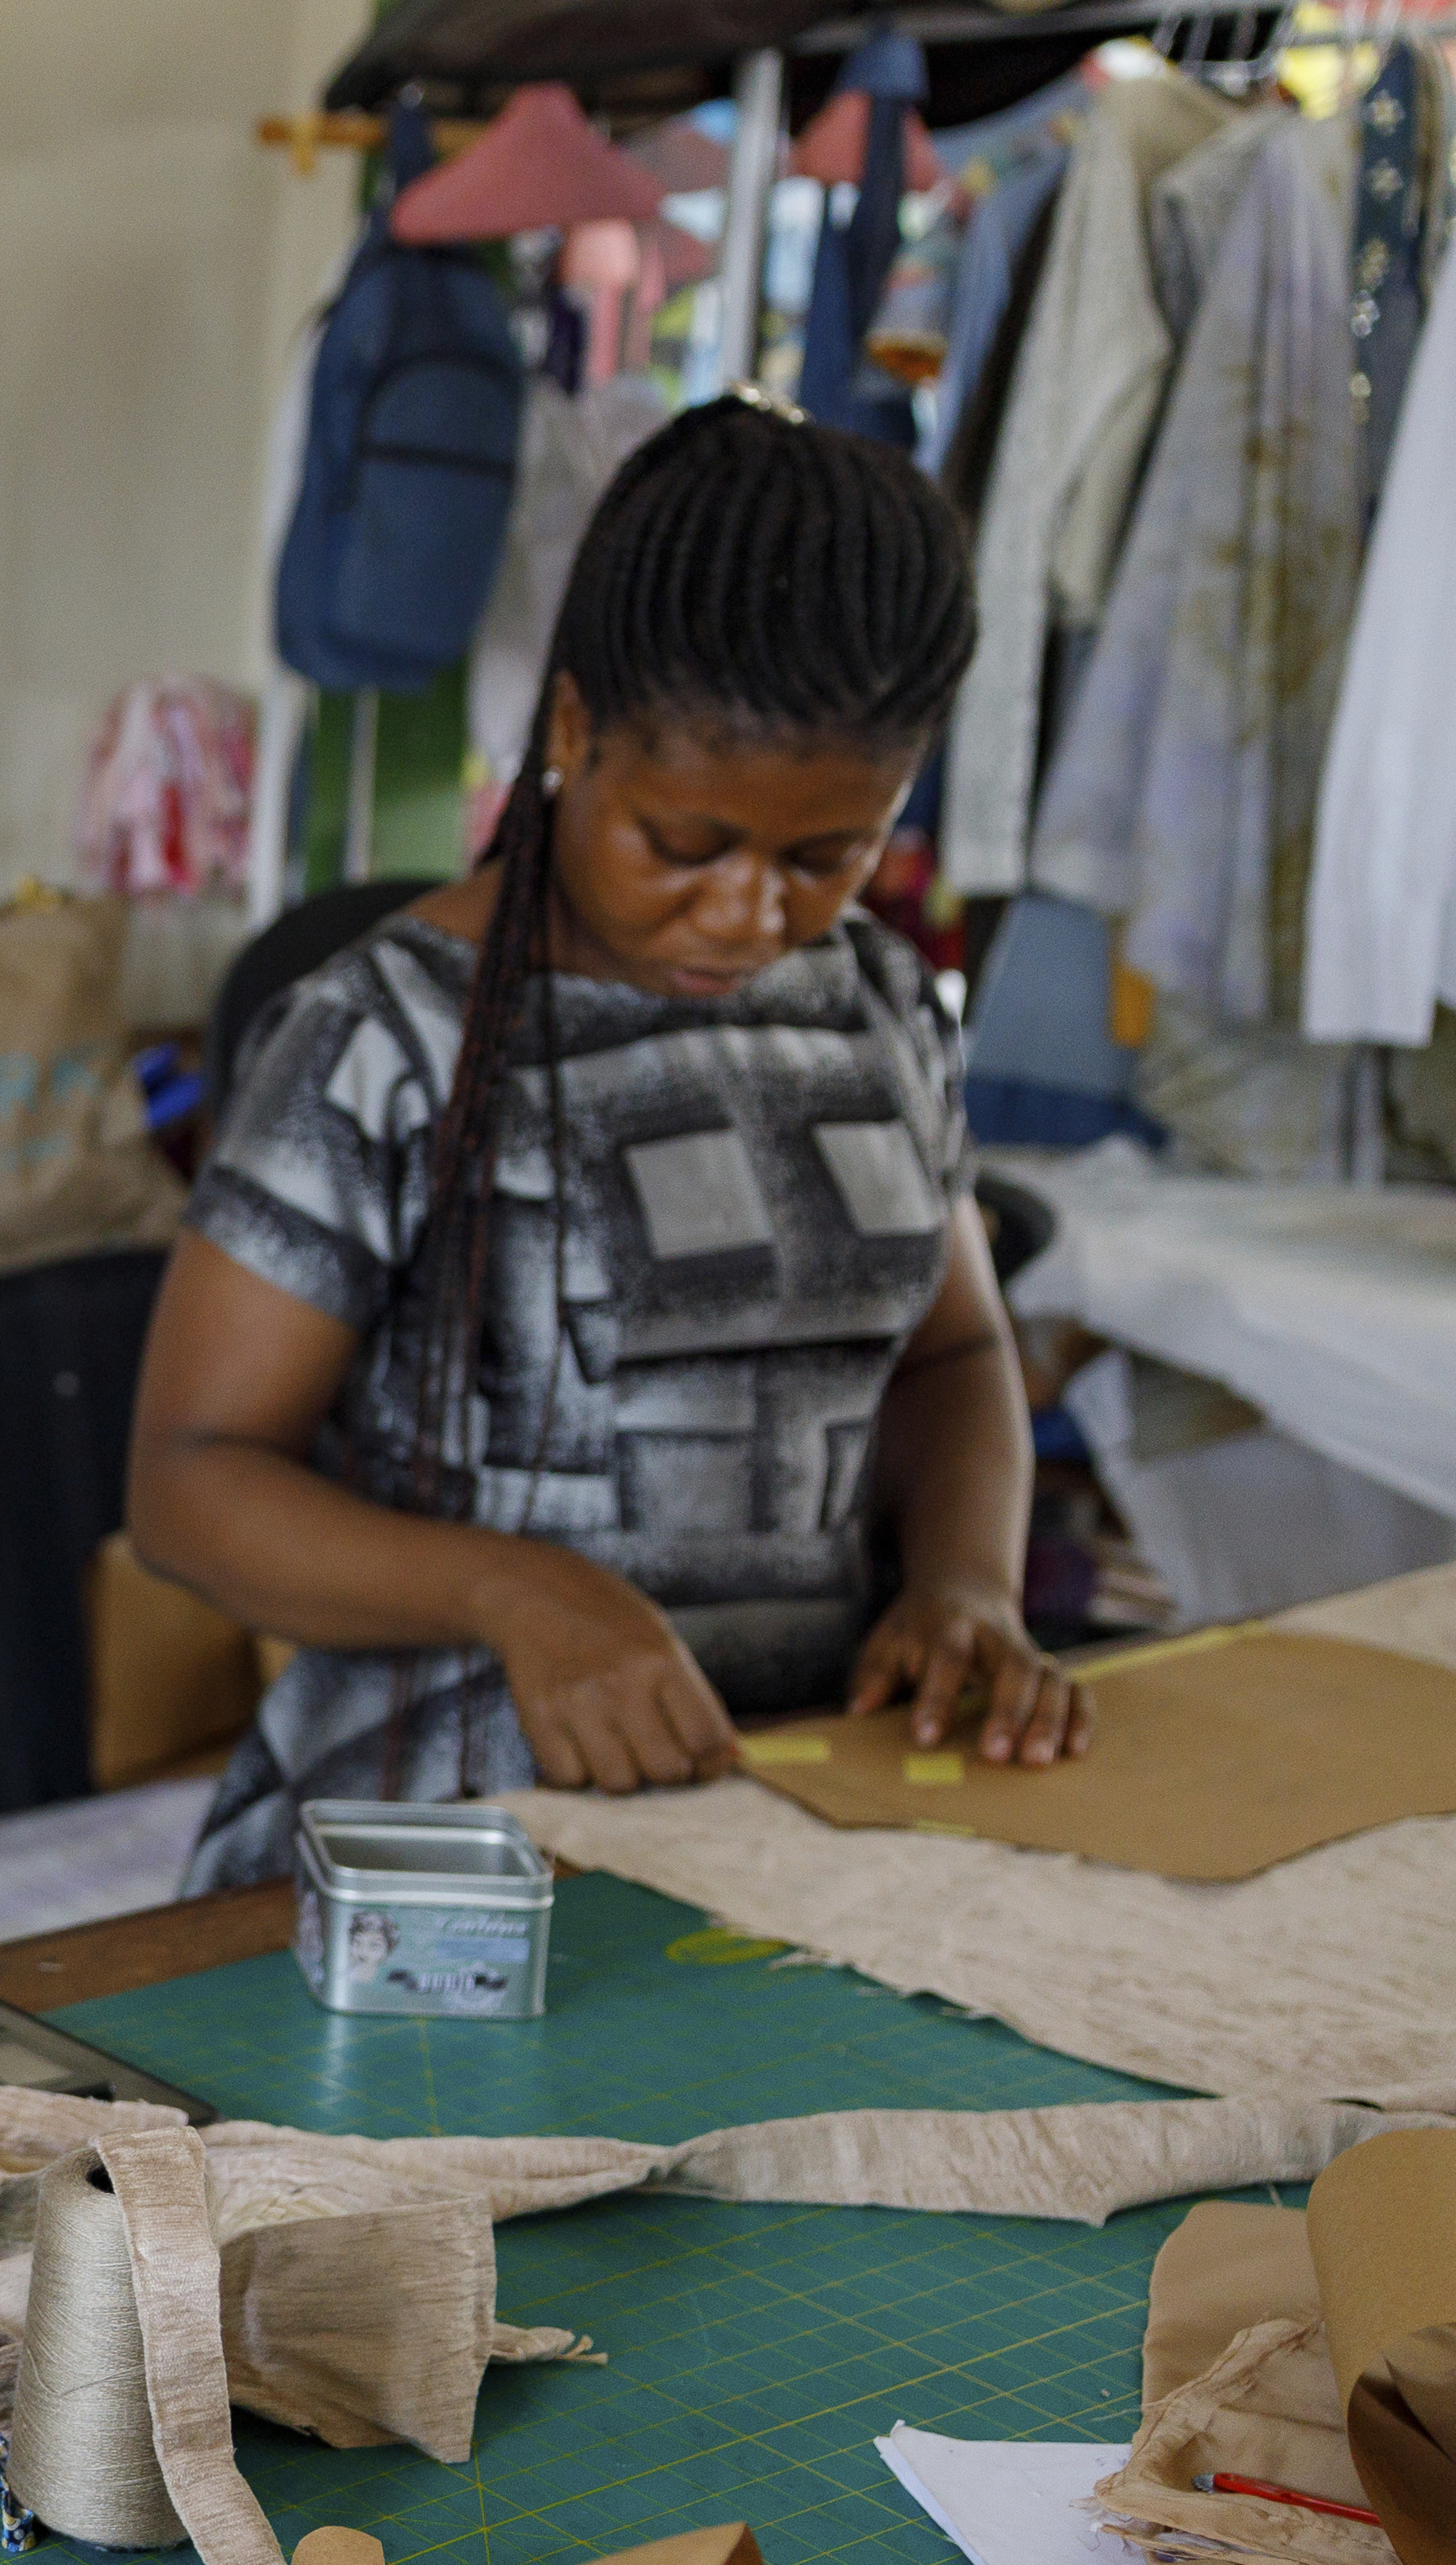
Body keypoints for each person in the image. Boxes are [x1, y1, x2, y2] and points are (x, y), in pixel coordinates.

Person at [134, 399, 1090, 1893]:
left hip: (804, 1817)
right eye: (688, 842)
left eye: (823, 856)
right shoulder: (389, 1039)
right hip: (441, 1856)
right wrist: (521, 1592)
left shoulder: (883, 1007)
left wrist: (967, 1584)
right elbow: (190, 1482)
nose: (752, 914)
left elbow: (953, 1359)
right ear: (573, 730)